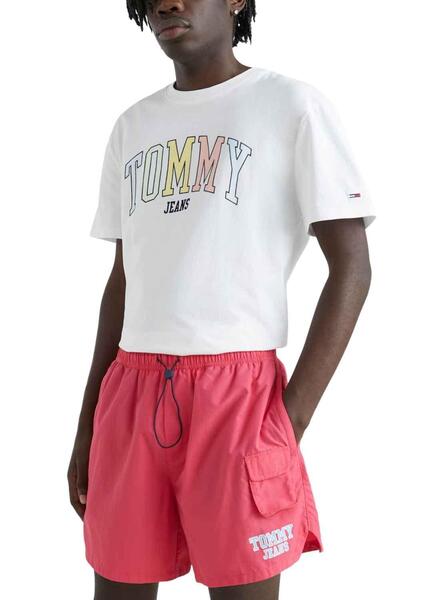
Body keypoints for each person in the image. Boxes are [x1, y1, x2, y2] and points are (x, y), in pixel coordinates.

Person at [67, 1, 376, 598]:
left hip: (237, 395)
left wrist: (289, 420)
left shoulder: (292, 106)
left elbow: (353, 267)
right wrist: (87, 424)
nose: (167, 3)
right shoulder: (133, 125)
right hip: (129, 392)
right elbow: (123, 281)